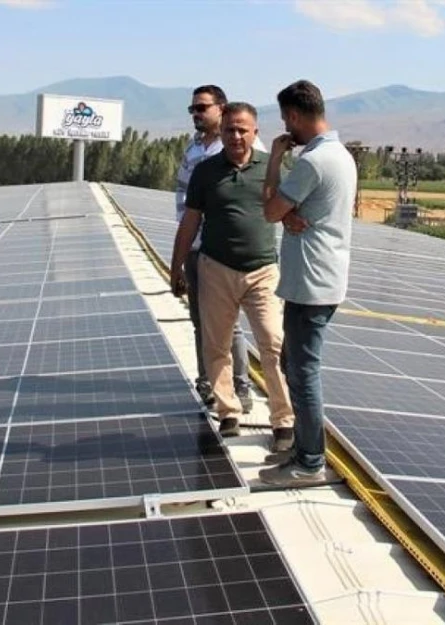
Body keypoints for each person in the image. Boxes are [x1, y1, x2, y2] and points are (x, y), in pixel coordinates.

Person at [170, 102, 295, 449]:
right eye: (229, 130)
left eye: (243, 129)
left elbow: (288, 206)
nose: (236, 135)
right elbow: (190, 221)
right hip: (216, 269)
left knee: (273, 343)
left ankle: (283, 420)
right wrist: (176, 266)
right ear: (221, 132)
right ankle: (228, 412)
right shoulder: (206, 171)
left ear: (255, 132)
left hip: (262, 271)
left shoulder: (270, 167)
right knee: (216, 344)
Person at [259, 80, 357, 487]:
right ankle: (302, 452)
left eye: (286, 120)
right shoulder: (341, 155)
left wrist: (275, 158)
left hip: (311, 283)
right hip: (320, 279)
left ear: (296, 116)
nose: (286, 129)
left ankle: (310, 463)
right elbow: (289, 211)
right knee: (293, 366)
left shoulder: (312, 162)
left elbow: (268, 208)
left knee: (303, 372)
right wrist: (288, 214)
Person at [174, 85, 263, 414]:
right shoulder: (194, 148)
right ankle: (207, 379)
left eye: (201, 108)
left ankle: (240, 386)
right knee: (201, 321)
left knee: (231, 325)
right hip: (197, 250)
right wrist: (183, 254)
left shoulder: (245, 147)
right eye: (192, 109)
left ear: (221, 108)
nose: (196, 114)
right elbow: (183, 201)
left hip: (227, 254)